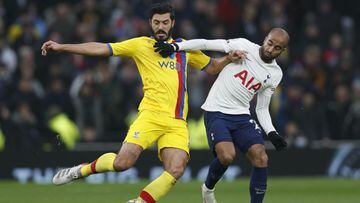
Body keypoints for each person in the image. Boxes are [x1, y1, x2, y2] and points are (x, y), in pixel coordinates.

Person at [41, 3, 245, 203]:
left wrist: (228, 58)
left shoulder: (184, 48)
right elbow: (102, 48)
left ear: (172, 23)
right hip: (150, 116)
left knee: (176, 169)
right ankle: (81, 170)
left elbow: (211, 67)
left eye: (165, 22)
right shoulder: (141, 45)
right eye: (156, 22)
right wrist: (63, 47)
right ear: (150, 23)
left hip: (176, 121)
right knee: (122, 164)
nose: (161, 27)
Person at [154, 28, 289, 203]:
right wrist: (175, 47)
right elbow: (206, 43)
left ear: (283, 51)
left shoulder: (275, 74)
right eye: (270, 43)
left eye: (277, 47)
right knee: (226, 156)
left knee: (261, 157)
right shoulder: (243, 45)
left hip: (241, 115)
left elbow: (262, 108)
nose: (271, 49)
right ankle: (207, 189)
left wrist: (272, 133)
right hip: (216, 111)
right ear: (265, 39)